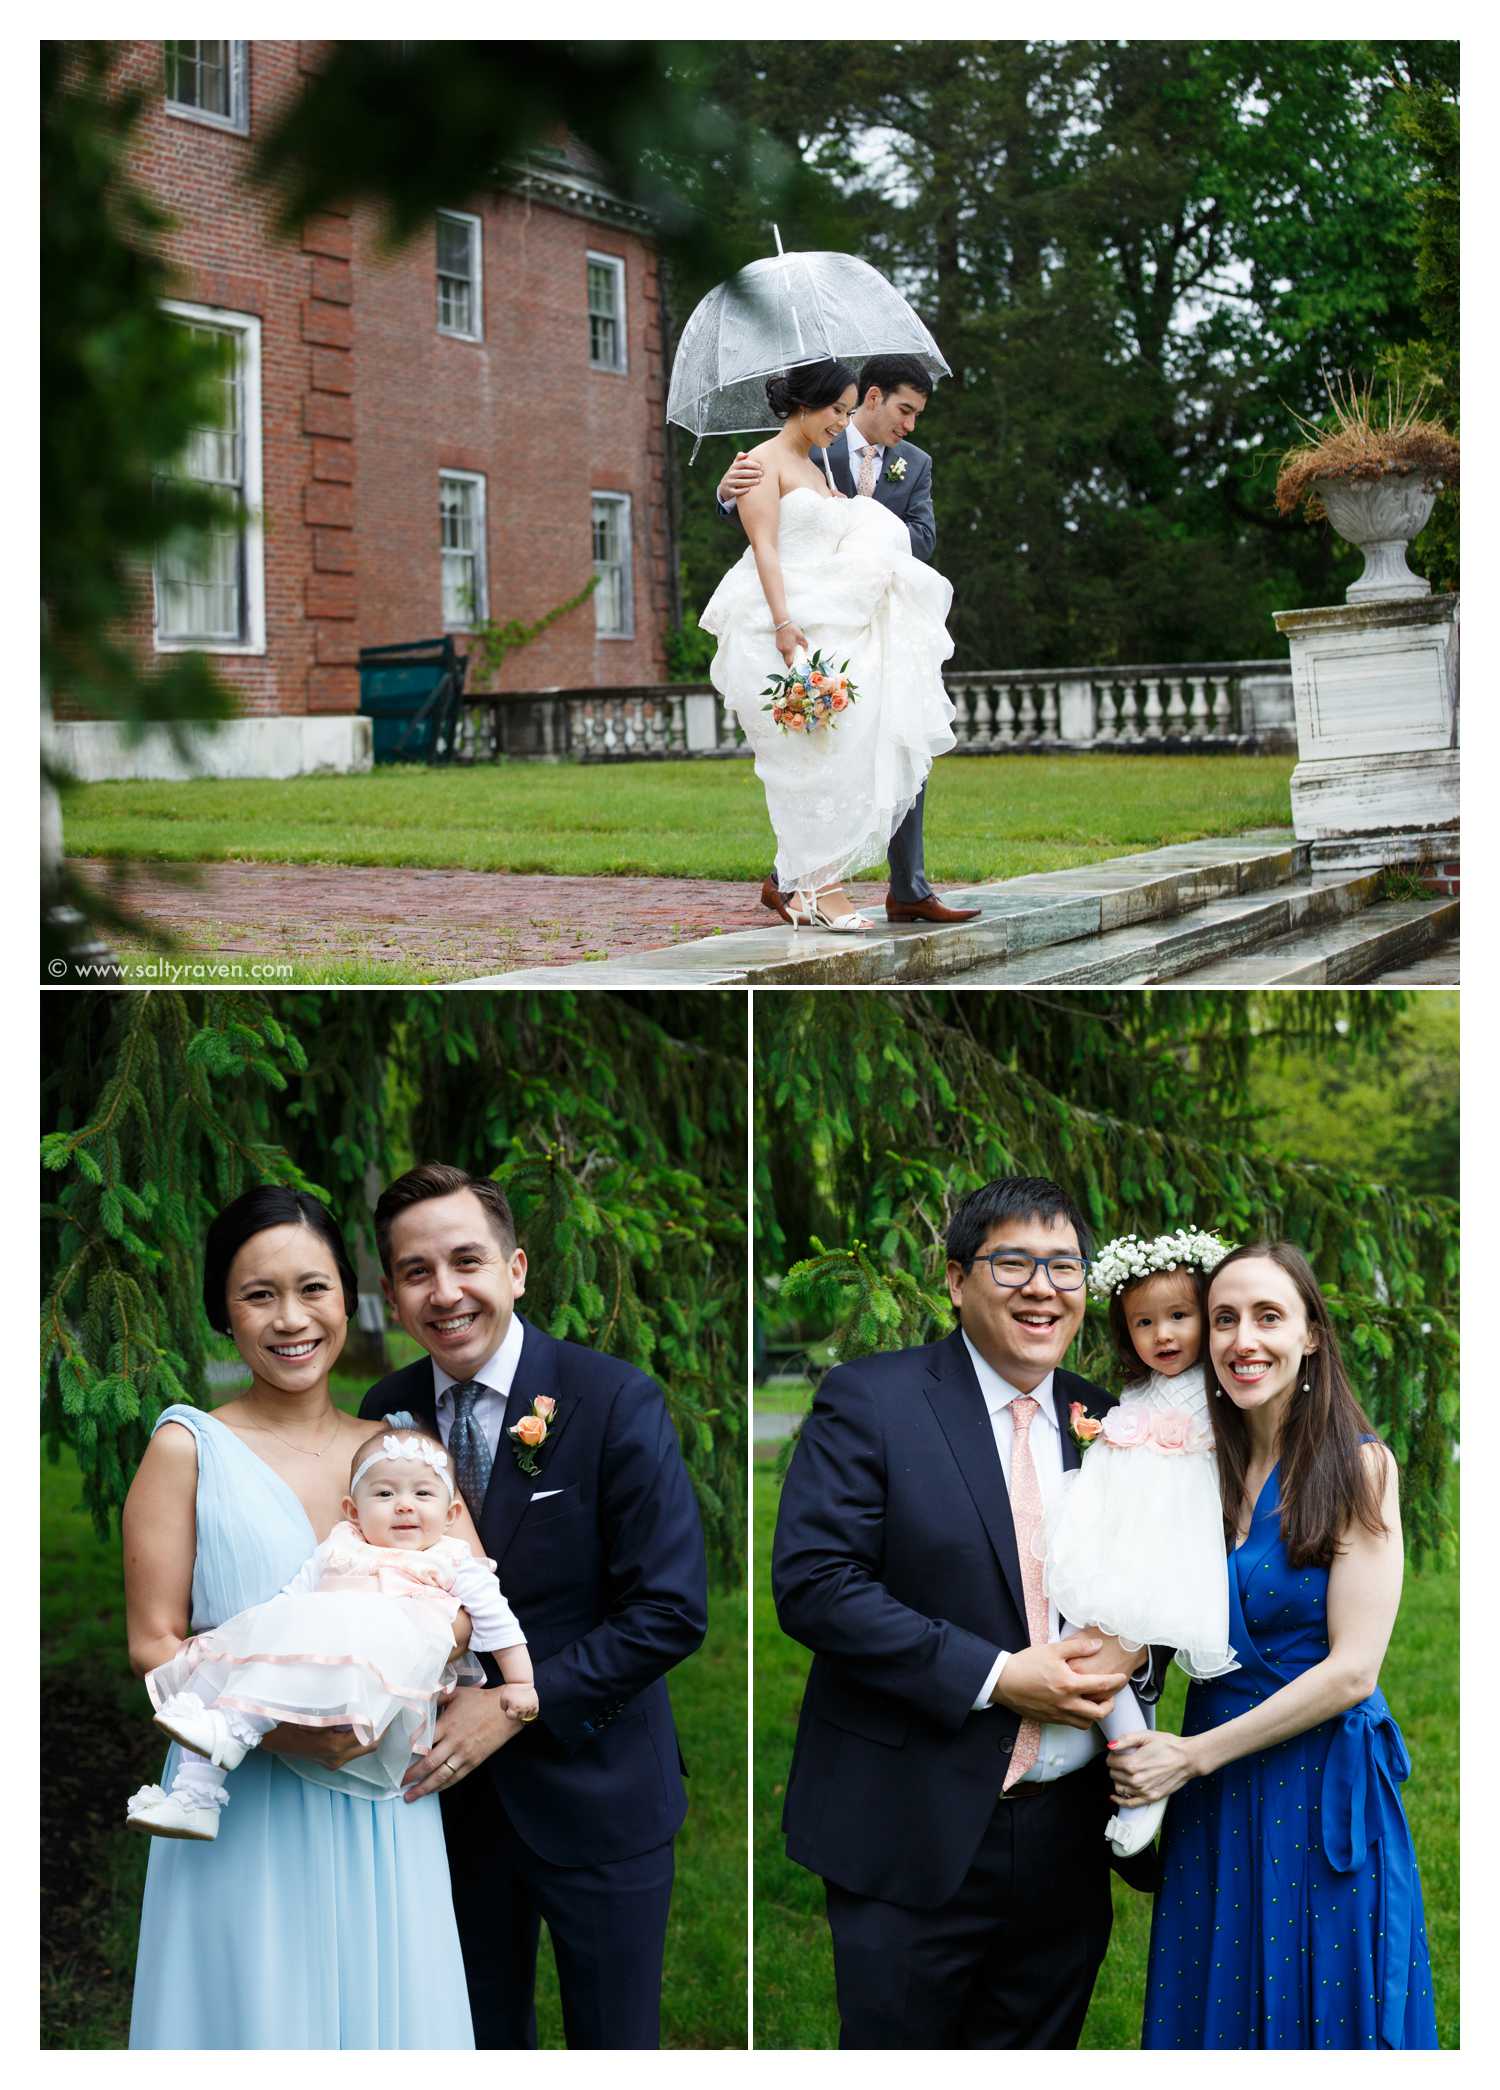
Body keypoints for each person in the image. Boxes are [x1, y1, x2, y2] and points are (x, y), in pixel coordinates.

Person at [772, 1176, 1166, 2049]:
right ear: (957, 1280)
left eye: (1064, 1266)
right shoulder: (872, 1401)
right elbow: (815, 1583)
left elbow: (1153, 1588)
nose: (1042, 1288)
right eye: (1013, 1262)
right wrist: (996, 1677)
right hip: (911, 1819)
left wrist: (1132, 1657)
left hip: (1066, 1830)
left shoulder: (1108, 1418)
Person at [359, 1162, 709, 2050]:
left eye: (467, 1261)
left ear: (516, 1269)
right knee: (469, 2040)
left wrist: (518, 1706)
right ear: (395, 1294)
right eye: (416, 1272)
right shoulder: (386, 1414)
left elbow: (669, 1609)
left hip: (601, 1795)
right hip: (440, 1806)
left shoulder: (613, 1398)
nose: (446, 1293)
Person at [124, 1188, 475, 2049]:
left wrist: (402, 1670)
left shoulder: (398, 1448)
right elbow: (154, 1645)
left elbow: (464, 1591)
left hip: (383, 1793)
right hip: (247, 1800)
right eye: (259, 1294)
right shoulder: (187, 1446)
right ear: (225, 1312)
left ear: (345, 1298)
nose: (292, 1319)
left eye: (313, 1288)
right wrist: (288, 1729)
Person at [1111, 1241, 1440, 2050]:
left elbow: (1353, 1671)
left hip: (1314, 1773)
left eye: (1268, 1316)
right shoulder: (1193, 1471)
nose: (1242, 1340)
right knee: (1214, 2003)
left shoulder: (1359, 1469)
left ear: (1311, 1337)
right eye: (1224, 1319)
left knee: (1321, 2003)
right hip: (1215, 1795)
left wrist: (1190, 1757)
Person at [126, 1420, 534, 1839]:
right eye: (385, 1493)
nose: (404, 1505)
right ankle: (195, 1796)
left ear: (450, 1516)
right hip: (320, 1661)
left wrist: (519, 1681)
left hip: (373, 1683)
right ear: (353, 1511)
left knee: (252, 1689)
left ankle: (235, 1729)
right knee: (223, 1663)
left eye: (422, 1493)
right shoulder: (341, 1546)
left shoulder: (452, 1559)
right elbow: (292, 1597)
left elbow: (496, 1617)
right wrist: (258, 1643)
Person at [702, 353, 979, 932]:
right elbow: (766, 540)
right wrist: (728, 496)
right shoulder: (780, 458)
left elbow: (911, 536)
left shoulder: (868, 465)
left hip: (846, 617)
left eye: (845, 410)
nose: (842, 419)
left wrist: (868, 537)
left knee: (874, 736)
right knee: (811, 756)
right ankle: (811, 887)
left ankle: (870, 886)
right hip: (787, 621)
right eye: (839, 408)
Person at [1040, 1229, 1239, 1862]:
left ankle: (1138, 1778)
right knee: (1075, 1644)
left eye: (1180, 1316)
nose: (1164, 1336)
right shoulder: (1135, 1391)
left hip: (1169, 1545)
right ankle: (1138, 1752)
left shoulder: (1218, 1389)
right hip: (1114, 1538)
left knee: (1097, 1663)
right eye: (1145, 1322)